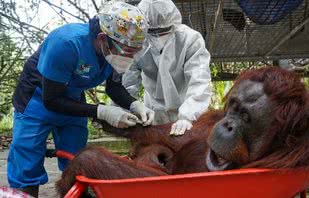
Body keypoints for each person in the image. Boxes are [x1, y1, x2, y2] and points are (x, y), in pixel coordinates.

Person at [7, 1, 154, 197]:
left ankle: (78, 192)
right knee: (27, 158)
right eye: (126, 51)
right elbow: (51, 100)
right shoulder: (67, 43)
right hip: (37, 99)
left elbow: (114, 87)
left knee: (77, 158)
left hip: (72, 100)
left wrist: (135, 105)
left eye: (134, 52)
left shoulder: (112, 51)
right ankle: (25, 193)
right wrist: (101, 111)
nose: (129, 57)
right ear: (103, 38)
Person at [122, 0, 212, 136]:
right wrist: (120, 110)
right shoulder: (137, 43)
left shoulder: (190, 39)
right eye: (151, 31)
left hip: (187, 106)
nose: (157, 35)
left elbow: (199, 80)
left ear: (173, 22)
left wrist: (188, 116)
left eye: (163, 30)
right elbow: (128, 83)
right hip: (153, 111)